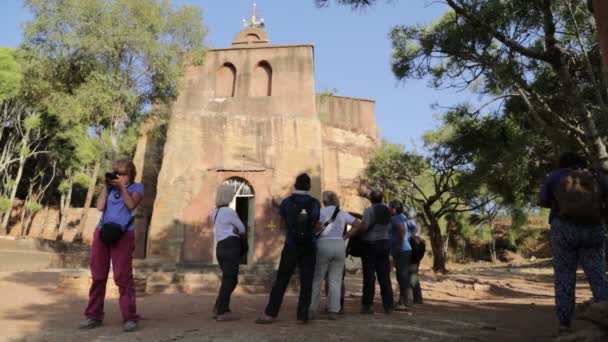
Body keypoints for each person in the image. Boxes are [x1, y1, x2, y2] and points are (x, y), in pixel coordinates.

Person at [538, 152, 608, 335]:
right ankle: (605, 316)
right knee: (597, 274)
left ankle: (564, 325)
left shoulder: (555, 176)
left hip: (563, 229)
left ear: (561, 163)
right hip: (593, 229)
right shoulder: (596, 175)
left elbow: (543, 200)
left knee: (564, 277)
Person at [79, 160, 144, 332]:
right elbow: (100, 207)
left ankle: (130, 318)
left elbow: (131, 205)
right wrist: (106, 187)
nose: (119, 176)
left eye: (123, 174)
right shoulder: (110, 188)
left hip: (124, 234)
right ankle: (93, 316)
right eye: (117, 173)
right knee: (98, 275)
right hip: (102, 232)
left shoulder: (137, 187)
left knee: (123, 277)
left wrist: (122, 188)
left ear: (130, 174)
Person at [255, 173, 321, 324]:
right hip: (309, 246)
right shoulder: (315, 203)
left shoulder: (287, 202)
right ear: (309, 186)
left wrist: (292, 229)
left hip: (291, 245)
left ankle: (270, 314)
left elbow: (282, 225)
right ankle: (302, 316)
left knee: (282, 280)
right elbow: (316, 225)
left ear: (295, 185)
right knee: (307, 281)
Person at [310, 191, 361, 320]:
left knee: (317, 278)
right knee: (335, 280)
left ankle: (312, 309)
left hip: (323, 244)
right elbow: (358, 224)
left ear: (324, 201)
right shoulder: (342, 213)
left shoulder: (321, 212)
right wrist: (345, 236)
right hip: (339, 244)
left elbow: (315, 227)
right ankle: (334, 310)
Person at [354, 189, 394, 314]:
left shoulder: (369, 210)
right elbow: (390, 226)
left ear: (371, 199)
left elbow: (365, 227)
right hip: (385, 243)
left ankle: (367, 305)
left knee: (369, 276)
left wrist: (359, 232)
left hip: (370, 244)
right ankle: (388, 305)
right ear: (382, 198)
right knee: (384, 276)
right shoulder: (388, 210)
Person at [211, 184, 246, 321]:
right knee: (230, 280)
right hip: (231, 246)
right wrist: (235, 230)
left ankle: (218, 307)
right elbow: (242, 229)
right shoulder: (229, 211)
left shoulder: (214, 212)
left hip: (220, 247)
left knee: (228, 279)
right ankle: (222, 310)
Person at [389, 200, 413, 310]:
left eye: (390, 208)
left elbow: (401, 228)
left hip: (401, 250)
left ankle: (404, 302)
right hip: (406, 249)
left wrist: (399, 243)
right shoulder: (404, 217)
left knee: (402, 276)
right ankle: (405, 301)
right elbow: (413, 227)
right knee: (403, 276)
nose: (389, 209)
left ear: (394, 209)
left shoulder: (395, 218)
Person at [405, 207, 424, 304]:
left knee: (409, 275)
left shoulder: (410, 224)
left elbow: (413, 237)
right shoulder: (417, 224)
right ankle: (418, 297)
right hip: (417, 252)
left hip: (412, 251)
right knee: (413, 274)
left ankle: (409, 298)